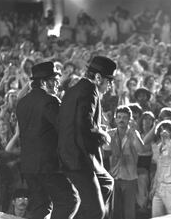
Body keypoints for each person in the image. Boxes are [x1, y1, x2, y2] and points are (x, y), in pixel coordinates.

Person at [16, 61, 79, 219]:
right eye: (54, 80)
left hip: (29, 166)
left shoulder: (22, 102)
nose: (57, 83)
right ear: (43, 82)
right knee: (69, 200)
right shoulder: (50, 101)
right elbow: (64, 129)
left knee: (41, 206)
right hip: (48, 165)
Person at [58, 56, 116, 219]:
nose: (110, 86)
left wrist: (97, 129)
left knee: (106, 183)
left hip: (69, 154)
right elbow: (84, 125)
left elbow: (76, 122)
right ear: (98, 78)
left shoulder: (74, 89)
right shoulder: (90, 90)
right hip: (78, 158)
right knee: (96, 211)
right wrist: (104, 135)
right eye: (109, 81)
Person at [105, 105, 145, 219]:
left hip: (129, 178)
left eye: (124, 117)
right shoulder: (110, 133)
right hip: (114, 177)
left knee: (129, 213)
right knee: (114, 212)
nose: (121, 120)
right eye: (119, 117)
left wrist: (133, 133)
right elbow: (105, 151)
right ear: (115, 119)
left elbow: (141, 150)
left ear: (129, 119)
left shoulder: (133, 133)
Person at [151, 120, 171, 217]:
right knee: (156, 215)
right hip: (159, 187)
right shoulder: (157, 147)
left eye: (167, 130)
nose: (164, 132)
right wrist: (154, 187)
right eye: (162, 129)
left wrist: (167, 140)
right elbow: (158, 168)